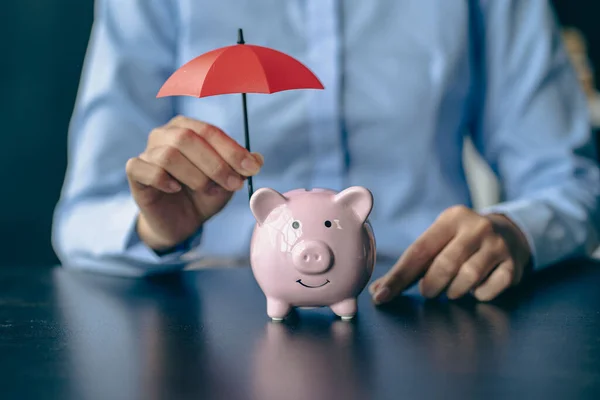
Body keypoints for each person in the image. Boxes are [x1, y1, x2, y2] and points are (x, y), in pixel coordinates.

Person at [52, 0, 600, 304]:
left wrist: (514, 228)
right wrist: (156, 228)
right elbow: (83, 216)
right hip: (210, 309)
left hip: (424, 294)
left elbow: (570, 179)